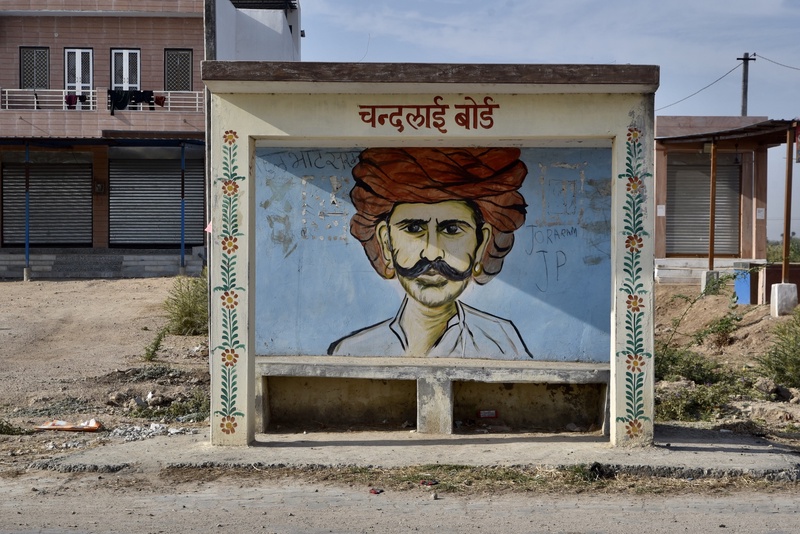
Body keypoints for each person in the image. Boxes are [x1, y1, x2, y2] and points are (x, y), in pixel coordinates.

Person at [328, 147, 531, 359]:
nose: (432, 254)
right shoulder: (354, 351)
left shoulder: (502, 343)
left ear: (481, 244)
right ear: (386, 243)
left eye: (451, 229)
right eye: (414, 229)